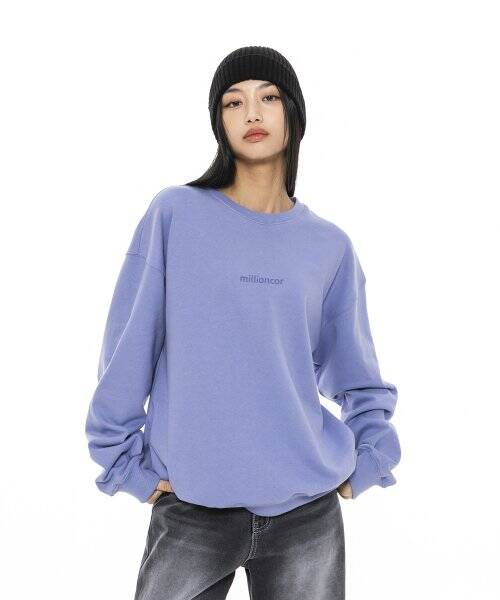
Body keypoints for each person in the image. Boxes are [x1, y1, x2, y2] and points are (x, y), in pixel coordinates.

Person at [85, 45, 401, 600]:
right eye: (233, 103)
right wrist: (122, 463)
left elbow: (358, 375)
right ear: (219, 122)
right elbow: (127, 348)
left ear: (293, 113)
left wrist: (371, 455)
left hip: (307, 511)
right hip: (192, 507)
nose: (252, 113)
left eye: (268, 98)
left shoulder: (328, 246)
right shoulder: (175, 215)